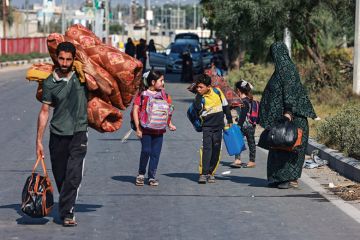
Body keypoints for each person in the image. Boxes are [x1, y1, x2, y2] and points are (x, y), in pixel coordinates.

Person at [36, 42, 88, 226]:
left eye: (68, 59)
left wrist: (92, 70)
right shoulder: (50, 82)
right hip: (57, 134)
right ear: (56, 58)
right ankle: (66, 205)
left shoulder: (82, 77)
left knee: (73, 175)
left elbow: (104, 87)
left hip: (78, 133)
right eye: (61, 59)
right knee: (60, 176)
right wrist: (39, 141)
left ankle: (67, 213)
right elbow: (44, 111)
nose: (64, 63)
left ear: (74, 60)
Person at [260, 42, 317, 189]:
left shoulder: (287, 69)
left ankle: (289, 178)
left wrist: (288, 111)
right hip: (283, 117)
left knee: (290, 146)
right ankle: (278, 178)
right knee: (279, 146)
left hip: (293, 117)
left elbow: (290, 91)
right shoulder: (280, 69)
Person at [133, 70, 176, 186]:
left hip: (159, 130)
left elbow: (167, 111)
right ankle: (141, 174)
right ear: (153, 82)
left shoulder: (164, 95)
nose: (163, 83)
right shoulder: (143, 94)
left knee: (155, 154)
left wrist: (169, 123)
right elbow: (135, 110)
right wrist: (138, 128)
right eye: (161, 80)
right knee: (146, 150)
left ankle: (151, 177)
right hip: (146, 129)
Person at [194, 74, 233, 184]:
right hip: (207, 127)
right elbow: (197, 109)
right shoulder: (200, 97)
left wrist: (229, 119)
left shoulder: (217, 92)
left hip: (219, 127)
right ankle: (203, 173)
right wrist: (198, 96)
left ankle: (211, 173)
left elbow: (225, 106)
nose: (198, 89)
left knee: (216, 150)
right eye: (197, 87)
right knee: (207, 149)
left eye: (201, 87)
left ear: (208, 86)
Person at [230, 80, 257, 168]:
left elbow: (243, 114)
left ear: (238, 90)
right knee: (247, 142)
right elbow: (232, 107)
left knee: (246, 142)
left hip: (246, 125)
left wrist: (239, 125)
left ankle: (250, 161)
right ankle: (240, 160)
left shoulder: (244, 102)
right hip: (250, 126)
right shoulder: (242, 101)